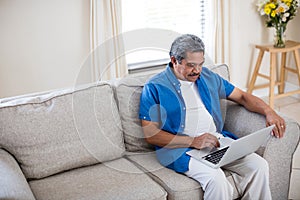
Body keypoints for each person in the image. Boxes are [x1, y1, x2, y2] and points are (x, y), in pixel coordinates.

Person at [139, 34, 286, 200]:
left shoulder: (208, 77)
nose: (197, 71)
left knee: (259, 165)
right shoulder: (154, 87)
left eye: (200, 64)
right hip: (180, 150)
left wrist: (269, 111)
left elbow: (242, 97)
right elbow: (151, 134)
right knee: (216, 180)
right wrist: (193, 141)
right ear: (174, 60)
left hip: (216, 142)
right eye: (191, 65)